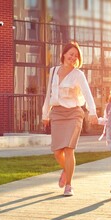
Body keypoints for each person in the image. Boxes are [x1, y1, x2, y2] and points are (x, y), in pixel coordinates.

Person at [42, 41, 98, 197]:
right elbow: (49, 94)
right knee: (57, 152)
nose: (73, 58)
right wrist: (45, 114)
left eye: (76, 56)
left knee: (69, 149)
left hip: (74, 113)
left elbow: (87, 93)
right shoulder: (53, 71)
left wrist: (92, 112)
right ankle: (67, 170)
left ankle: (69, 185)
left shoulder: (78, 74)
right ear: (64, 54)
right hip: (57, 114)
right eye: (71, 54)